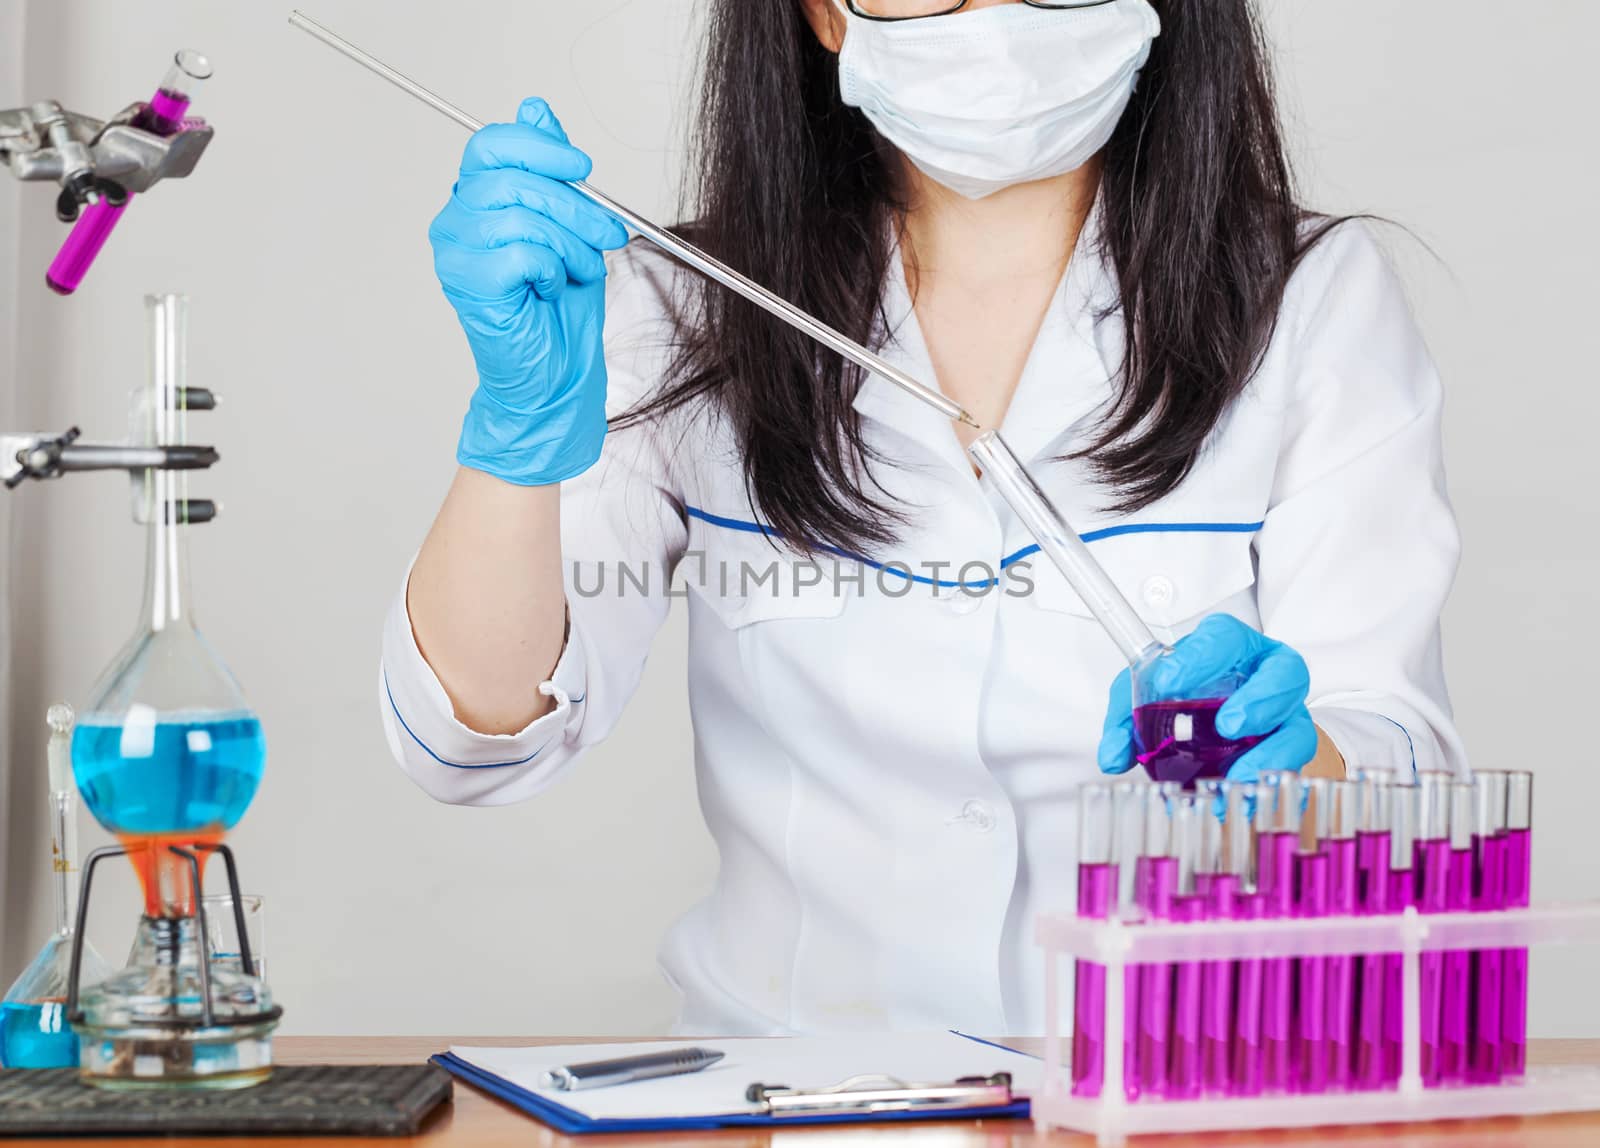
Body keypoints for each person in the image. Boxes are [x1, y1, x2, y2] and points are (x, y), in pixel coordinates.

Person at [381, 0, 1465, 1034]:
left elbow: (1396, 776)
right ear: (820, 11)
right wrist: (516, 439)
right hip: (791, 1096)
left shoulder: (1310, 300)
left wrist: (1304, 764)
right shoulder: (684, 305)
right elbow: (469, 741)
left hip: (1180, 1088)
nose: (990, 22)